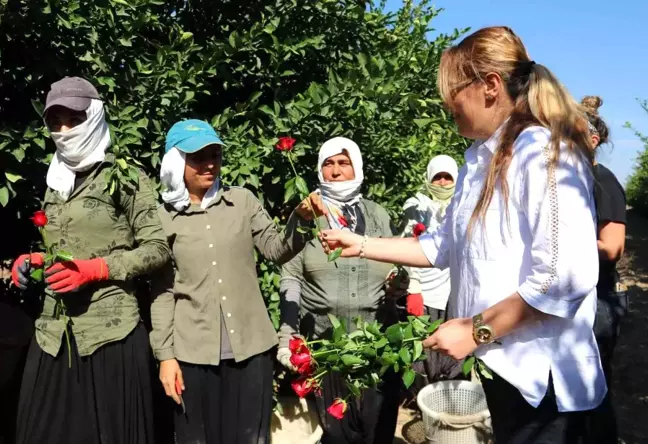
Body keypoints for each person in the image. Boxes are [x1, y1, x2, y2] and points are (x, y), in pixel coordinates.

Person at [319, 27, 616, 444]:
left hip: (547, 386)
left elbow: (563, 278)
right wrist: (362, 244)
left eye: (453, 91)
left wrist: (475, 330)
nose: (447, 104)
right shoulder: (480, 160)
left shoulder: (544, 154)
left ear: (490, 86)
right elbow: (441, 245)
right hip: (506, 370)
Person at [10, 76, 171, 444]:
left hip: (109, 334)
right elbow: (63, 248)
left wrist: (95, 270)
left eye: (73, 118)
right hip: (53, 333)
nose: (64, 130)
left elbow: (157, 249)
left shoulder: (123, 177)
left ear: (95, 117)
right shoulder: (55, 180)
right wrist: (34, 259)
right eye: (55, 121)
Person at [149, 119, 325, 444]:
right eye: (198, 156)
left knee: (250, 438)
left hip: (251, 350)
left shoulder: (242, 201)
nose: (210, 163)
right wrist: (166, 357)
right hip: (192, 354)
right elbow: (163, 293)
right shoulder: (162, 219)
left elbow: (277, 249)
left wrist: (300, 220)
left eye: (214, 154)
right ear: (176, 161)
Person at [277, 137, 400, 444]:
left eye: (343, 163)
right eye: (328, 164)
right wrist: (287, 335)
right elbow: (291, 277)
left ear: (356, 167)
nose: (335, 171)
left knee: (377, 432)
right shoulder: (306, 218)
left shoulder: (377, 215)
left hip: (376, 349)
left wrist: (399, 283)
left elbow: (397, 264)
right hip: (326, 351)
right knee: (336, 435)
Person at [400, 154, 463, 387]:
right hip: (425, 294)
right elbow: (407, 247)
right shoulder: (416, 207)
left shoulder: (463, 205)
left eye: (448, 177)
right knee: (424, 349)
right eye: (438, 177)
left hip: (453, 294)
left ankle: (450, 401)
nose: (444, 182)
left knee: (453, 351)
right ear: (429, 180)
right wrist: (413, 286)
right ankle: (423, 404)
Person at [582, 95, 627, 388]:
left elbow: (612, 247)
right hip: (582, 297)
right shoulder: (579, 179)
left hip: (599, 298)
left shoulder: (603, 182)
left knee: (594, 385)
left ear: (593, 140)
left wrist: (561, 246)